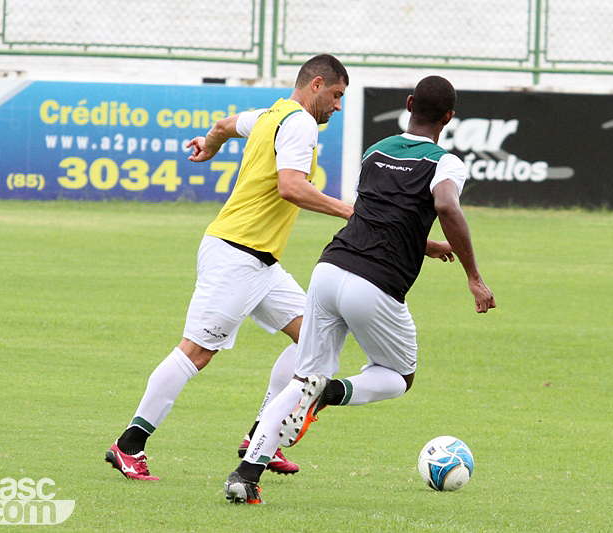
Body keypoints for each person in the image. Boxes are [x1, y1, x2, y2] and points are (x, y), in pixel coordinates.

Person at [224, 75, 496, 504]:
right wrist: (473, 276)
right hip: (377, 284)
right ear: (449, 117)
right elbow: (445, 205)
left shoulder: (375, 151)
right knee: (397, 376)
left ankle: (246, 473)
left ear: (408, 104)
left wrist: (425, 246)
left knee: (301, 376)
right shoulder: (445, 163)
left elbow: (376, 216)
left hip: (330, 269)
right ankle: (330, 393)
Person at [105, 54, 353, 481]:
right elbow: (291, 187)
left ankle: (262, 436)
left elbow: (221, 126)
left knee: (314, 336)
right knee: (197, 353)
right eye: (335, 95)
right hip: (236, 254)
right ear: (315, 84)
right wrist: (351, 212)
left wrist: (210, 144)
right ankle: (129, 445)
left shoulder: (267, 115)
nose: (337, 106)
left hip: (261, 262)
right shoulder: (300, 123)